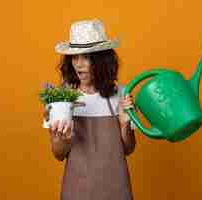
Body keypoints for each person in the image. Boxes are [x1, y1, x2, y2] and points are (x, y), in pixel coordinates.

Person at [44, 19, 137, 200]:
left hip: (116, 191)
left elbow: (128, 149)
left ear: (102, 60)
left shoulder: (122, 94)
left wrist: (125, 125)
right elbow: (58, 154)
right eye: (75, 57)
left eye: (86, 57)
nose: (78, 64)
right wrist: (61, 137)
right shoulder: (60, 98)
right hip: (77, 191)